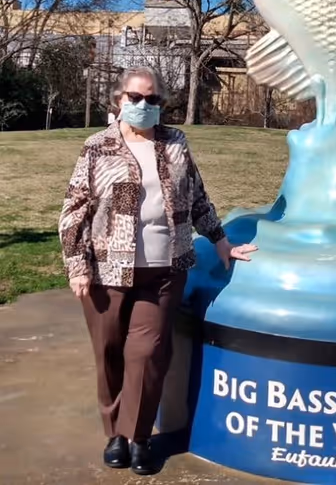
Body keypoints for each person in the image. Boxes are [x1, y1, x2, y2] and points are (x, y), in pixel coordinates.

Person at [58, 67, 257, 476]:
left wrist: (220, 240)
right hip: (106, 271)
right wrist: (77, 265)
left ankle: (139, 436)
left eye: (152, 100)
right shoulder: (97, 147)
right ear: (119, 100)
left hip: (165, 269)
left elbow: (197, 196)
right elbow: (73, 211)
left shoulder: (175, 143)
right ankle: (115, 434)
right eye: (135, 97)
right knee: (110, 354)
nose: (143, 106)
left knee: (148, 354)